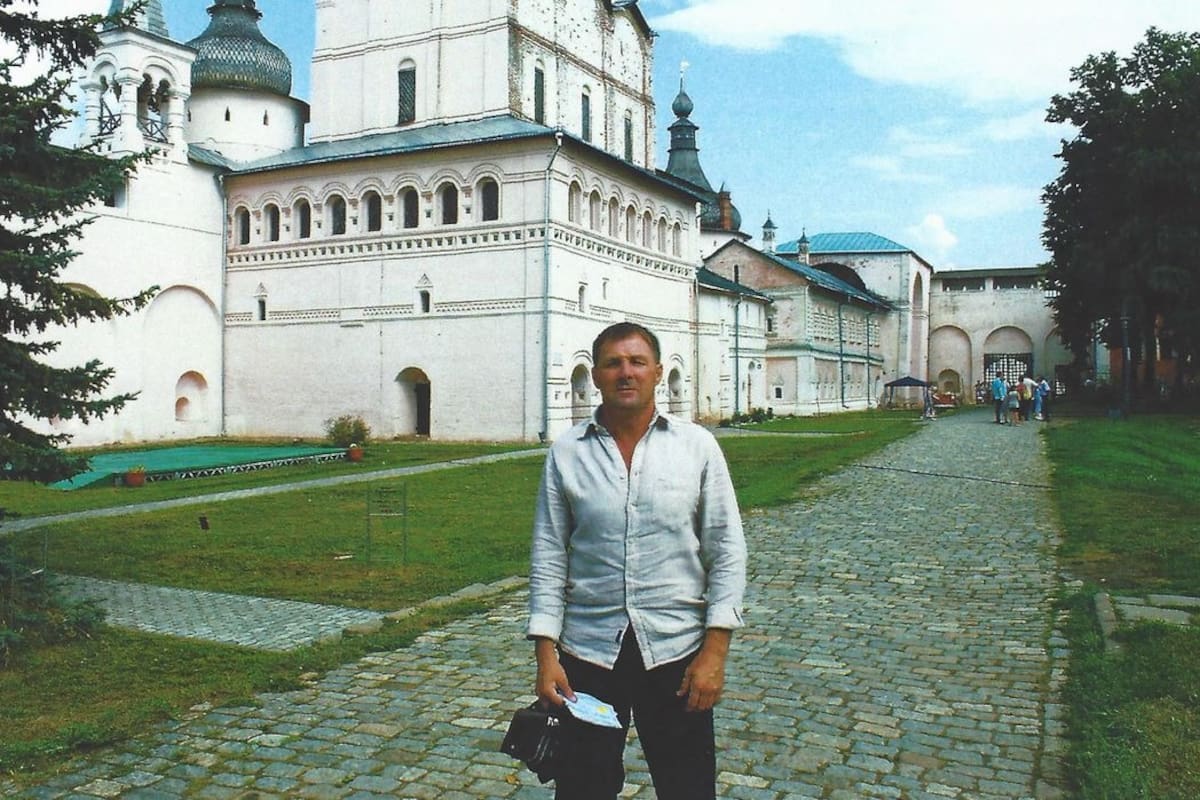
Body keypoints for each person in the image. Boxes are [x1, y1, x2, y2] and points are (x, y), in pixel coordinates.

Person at [527, 321, 747, 800]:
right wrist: (546, 655)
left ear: (657, 373)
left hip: (675, 653)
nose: (626, 373)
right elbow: (548, 555)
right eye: (613, 363)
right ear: (598, 375)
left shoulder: (697, 448)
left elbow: (726, 550)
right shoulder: (566, 453)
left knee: (686, 787)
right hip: (587, 656)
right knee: (584, 788)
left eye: (637, 362)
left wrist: (715, 652)